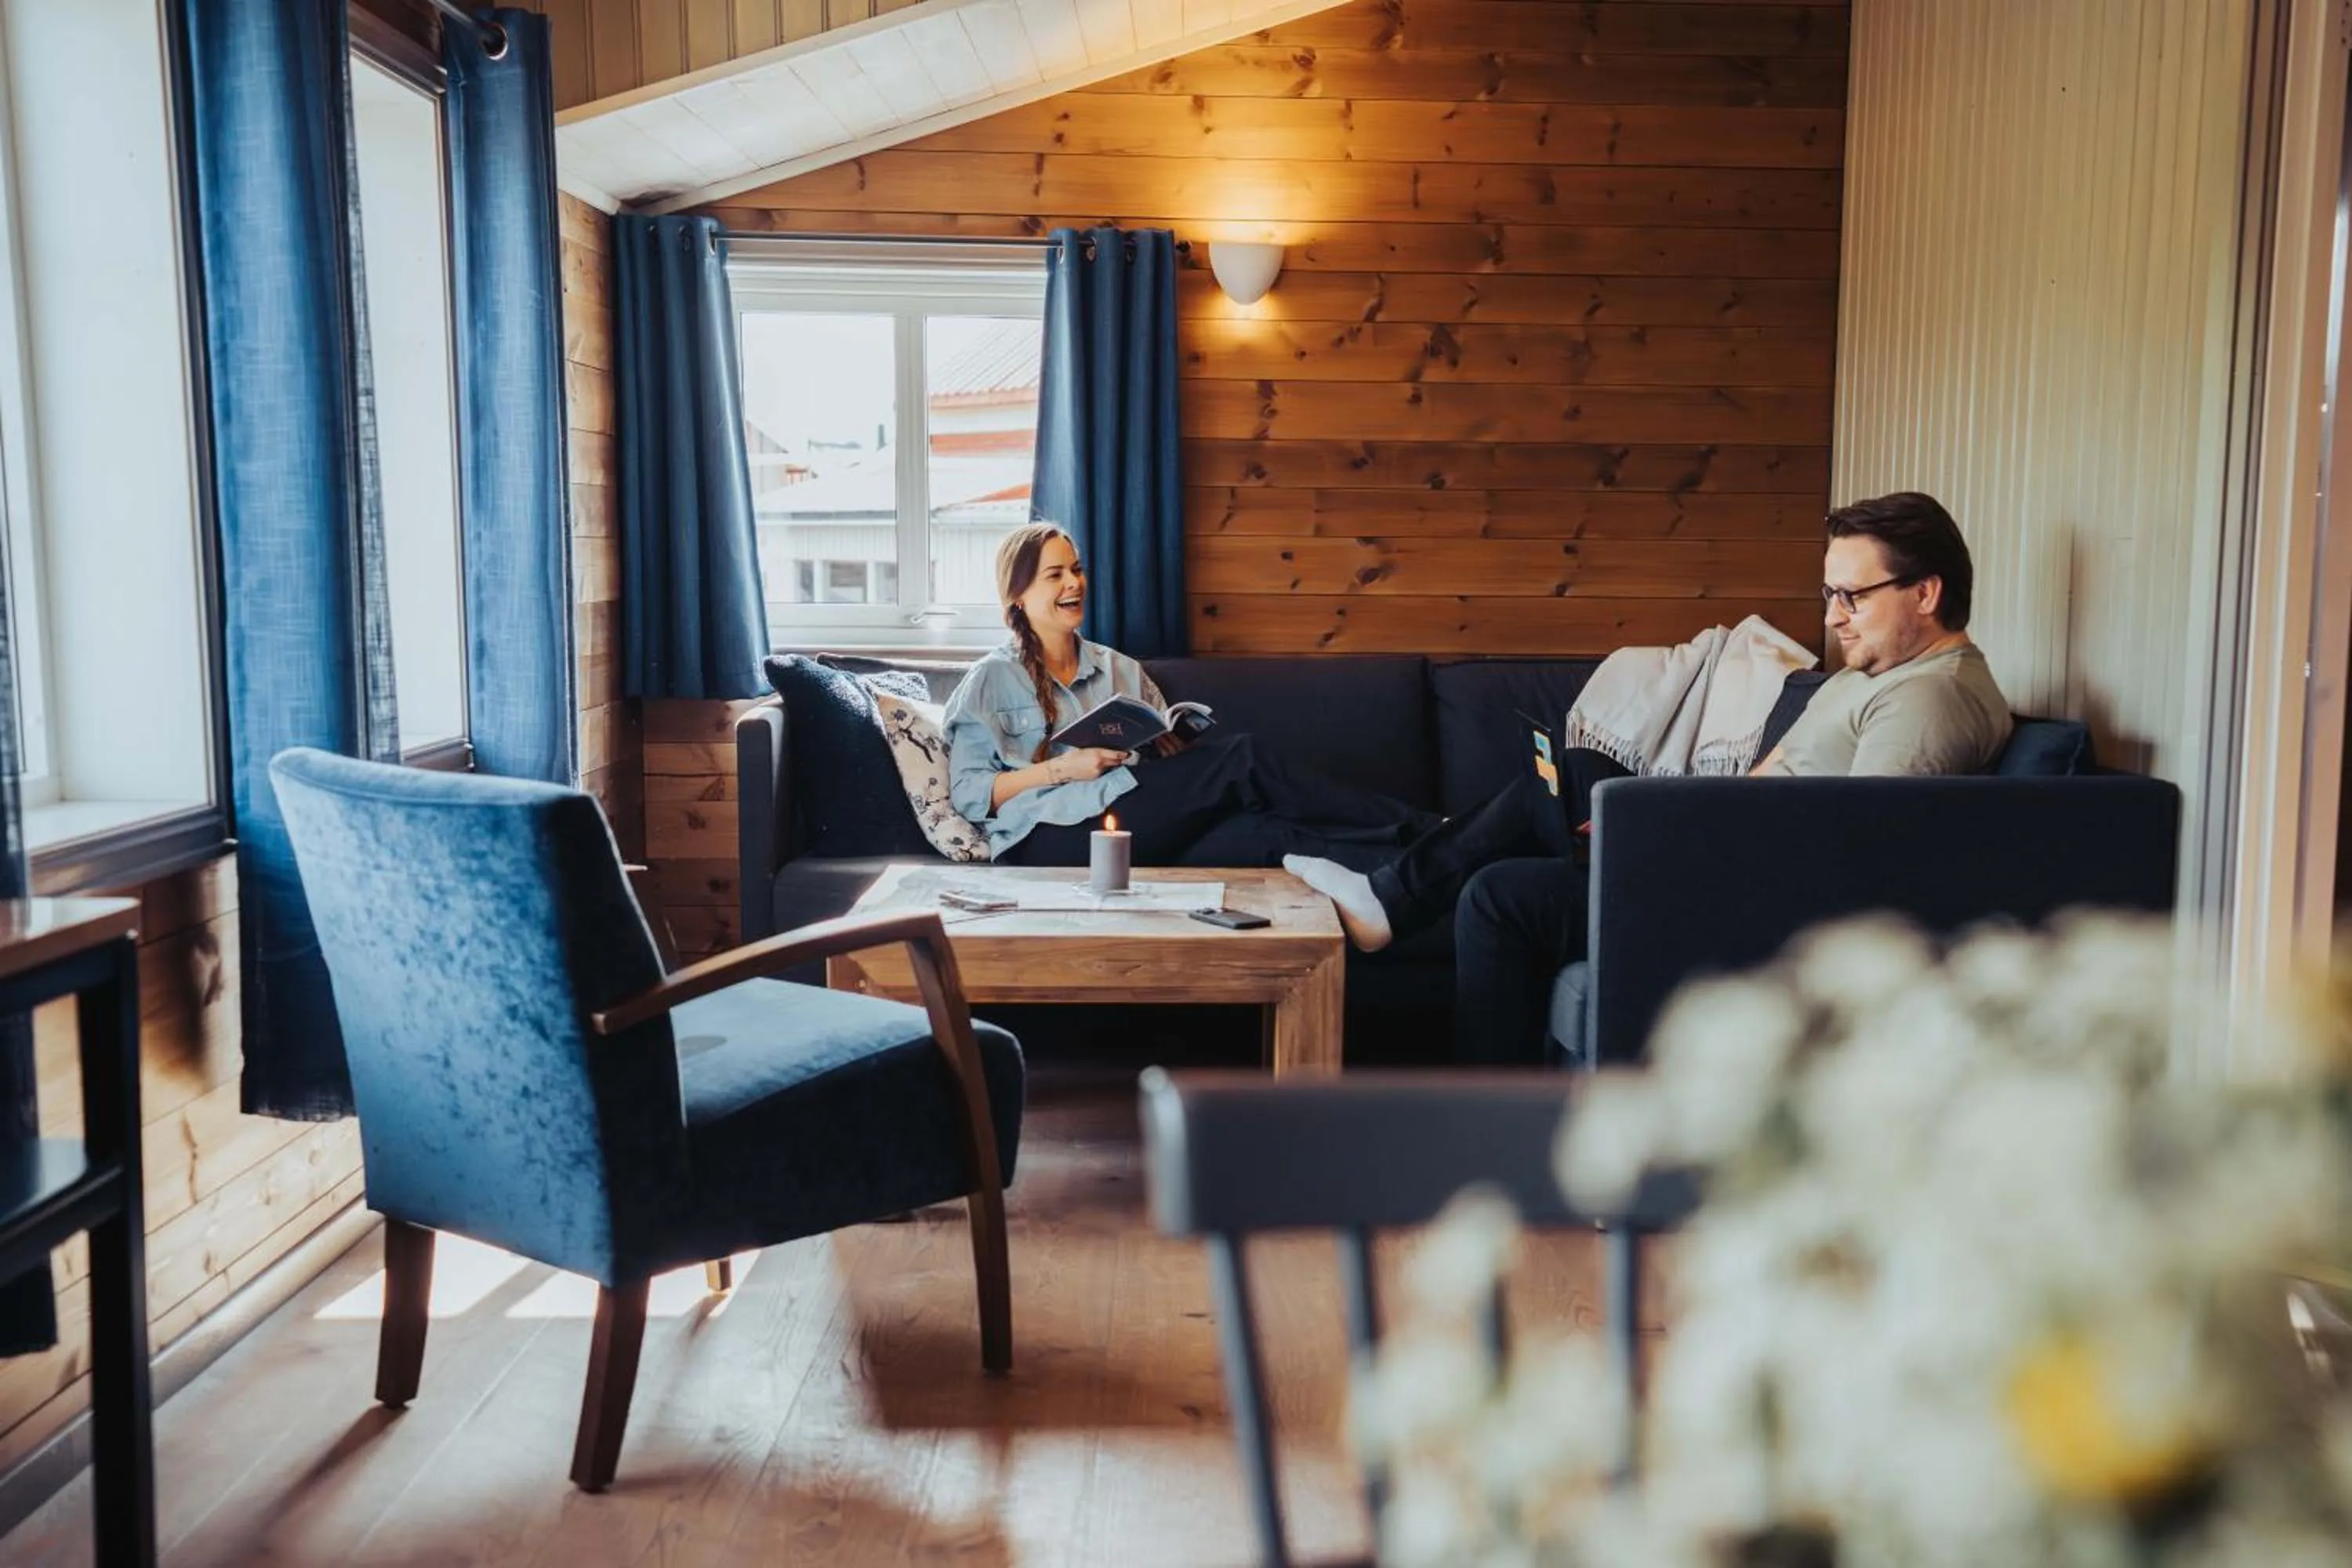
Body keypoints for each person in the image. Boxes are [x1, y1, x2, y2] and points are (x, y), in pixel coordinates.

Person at [1287, 491, 2014, 1065]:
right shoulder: (1882, 671)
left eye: (1852, 597)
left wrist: (1688, 835)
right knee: (1567, 781)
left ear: (1925, 593)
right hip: (1717, 855)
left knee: (1504, 895)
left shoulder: (1931, 697)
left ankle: (1397, 910)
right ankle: (1397, 895)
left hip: (1736, 899)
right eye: (1829, 595)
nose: (1834, 620)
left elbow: (1858, 857)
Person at [944, 521, 1435, 868]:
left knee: (1262, 836)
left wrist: (1167, 745)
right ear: (1018, 595)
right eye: (1055, 575)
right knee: (1241, 759)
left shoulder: (1118, 668)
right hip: (1048, 838)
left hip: (1130, 817)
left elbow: (1162, 765)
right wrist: (1061, 768)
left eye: (1077, 569)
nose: (1075, 582)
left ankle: (1426, 865)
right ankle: (1425, 828)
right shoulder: (991, 679)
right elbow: (969, 797)